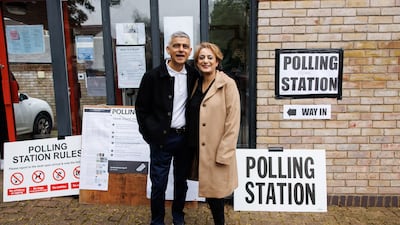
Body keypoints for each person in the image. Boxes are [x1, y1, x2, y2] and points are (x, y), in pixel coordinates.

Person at [135, 31, 199, 225]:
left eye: (185, 46)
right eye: (177, 45)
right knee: (159, 183)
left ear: (189, 51)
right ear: (168, 49)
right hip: (161, 140)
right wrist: (150, 135)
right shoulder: (152, 76)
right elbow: (141, 109)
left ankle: (178, 217)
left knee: (181, 182)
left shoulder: (194, 75)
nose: (181, 50)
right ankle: (157, 221)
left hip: (184, 139)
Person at [187, 42, 241, 225]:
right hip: (197, 147)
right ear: (196, 63)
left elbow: (233, 122)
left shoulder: (228, 84)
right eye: (201, 57)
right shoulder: (196, 82)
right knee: (210, 191)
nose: (205, 61)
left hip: (216, 148)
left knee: (216, 193)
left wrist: (225, 151)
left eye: (210, 57)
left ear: (217, 61)